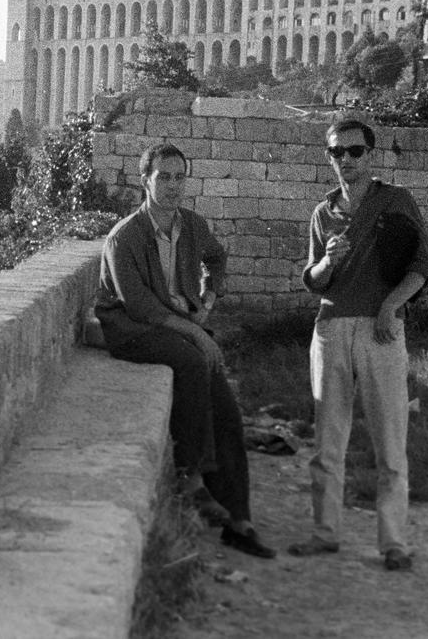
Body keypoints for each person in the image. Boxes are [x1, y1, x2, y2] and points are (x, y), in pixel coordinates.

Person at [96, 141, 276, 559]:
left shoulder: (191, 225)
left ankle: (239, 520)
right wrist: (197, 332)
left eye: (180, 177)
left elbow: (217, 258)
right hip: (132, 329)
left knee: (227, 411)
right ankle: (190, 476)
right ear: (146, 180)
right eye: (164, 177)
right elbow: (138, 305)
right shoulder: (125, 237)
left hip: (177, 327)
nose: (174, 186)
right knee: (195, 360)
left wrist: (208, 299)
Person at [288, 118, 428, 570]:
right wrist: (327, 262)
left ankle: (394, 544)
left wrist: (392, 306)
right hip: (331, 330)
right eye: (337, 153)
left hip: (380, 332)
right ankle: (325, 533)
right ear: (329, 158)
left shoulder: (396, 202)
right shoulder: (322, 212)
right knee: (327, 441)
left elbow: (423, 265)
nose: (346, 160)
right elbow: (312, 281)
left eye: (355, 151)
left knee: (391, 443)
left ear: (371, 155)